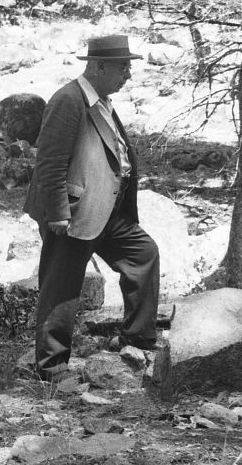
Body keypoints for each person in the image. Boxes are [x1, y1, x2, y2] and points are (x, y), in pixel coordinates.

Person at [23, 34, 160, 380]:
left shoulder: (101, 100)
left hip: (108, 211)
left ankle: (137, 339)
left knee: (143, 254)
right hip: (73, 213)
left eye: (129, 66)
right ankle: (51, 368)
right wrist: (56, 212)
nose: (128, 74)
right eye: (122, 67)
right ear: (98, 67)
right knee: (61, 287)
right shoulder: (68, 100)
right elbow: (50, 162)